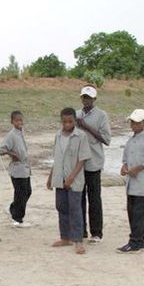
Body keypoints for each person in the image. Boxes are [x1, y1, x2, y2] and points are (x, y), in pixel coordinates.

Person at [46, 107, 91, 255]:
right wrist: (51, 176)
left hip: (74, 179)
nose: (67, 124)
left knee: (75, 209)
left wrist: (72, 177)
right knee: (61, 206)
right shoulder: (58, 136)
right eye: (64, 121)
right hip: (59, 178)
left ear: (74, 121)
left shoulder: (81, 136)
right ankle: (65, 237)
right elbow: (56, 158)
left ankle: (78, 240)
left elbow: (82, 159)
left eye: (70, 121)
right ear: (61, 121)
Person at [118, 109, 144, 252]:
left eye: (137, 122)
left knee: (139, 212)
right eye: (132, 122)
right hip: (132, 183)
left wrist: (139, 168)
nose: (134, 125)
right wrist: (124, 167)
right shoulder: (130, 140)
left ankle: (135, 241)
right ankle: (139, 240)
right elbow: (125, 158)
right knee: (132, 211)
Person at [75, 85, 111, 243]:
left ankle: (96, 233)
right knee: (79, 197)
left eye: (89, 97)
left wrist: (86, 126)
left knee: (94, 198)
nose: (86, 100)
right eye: (84, 97)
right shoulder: (76, 114)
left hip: (94, 162)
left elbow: (106, 139)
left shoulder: (102, 115)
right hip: (78, 163)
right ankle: (81, 230)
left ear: (94, 99)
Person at [0, 110, 32, 228]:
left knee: (28, 192)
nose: (19, 122)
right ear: (12, 122)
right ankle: (17, 219)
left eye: (21, 120)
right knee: (20, 194)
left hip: (25, 169)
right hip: (17, 170)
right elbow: (0, 150)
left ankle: (13, 208)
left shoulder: (21, 132)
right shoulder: (11, 135)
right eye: (17, 120)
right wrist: (12, 154)